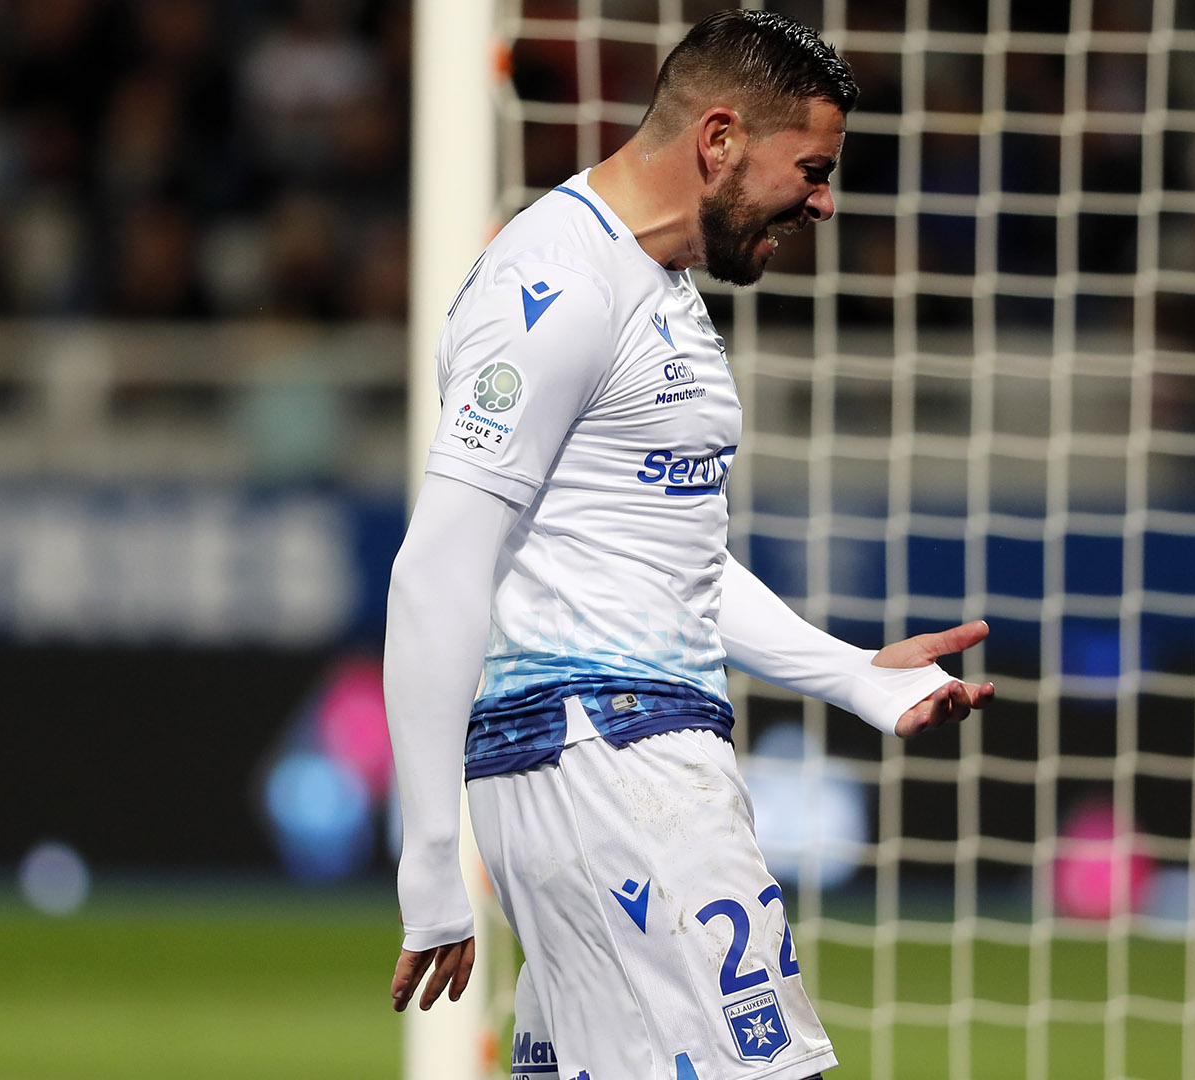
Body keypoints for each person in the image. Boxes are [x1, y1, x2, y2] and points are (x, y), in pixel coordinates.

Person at [382, 11, 994, 1080]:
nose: (823, 202)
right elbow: (437, 567)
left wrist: (854, 675)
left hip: (611, 753)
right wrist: (432, 857)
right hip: (607, 761)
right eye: (811, 169)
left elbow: (668, 554)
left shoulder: (652, 281)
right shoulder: (557, 284)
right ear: (720, 139)